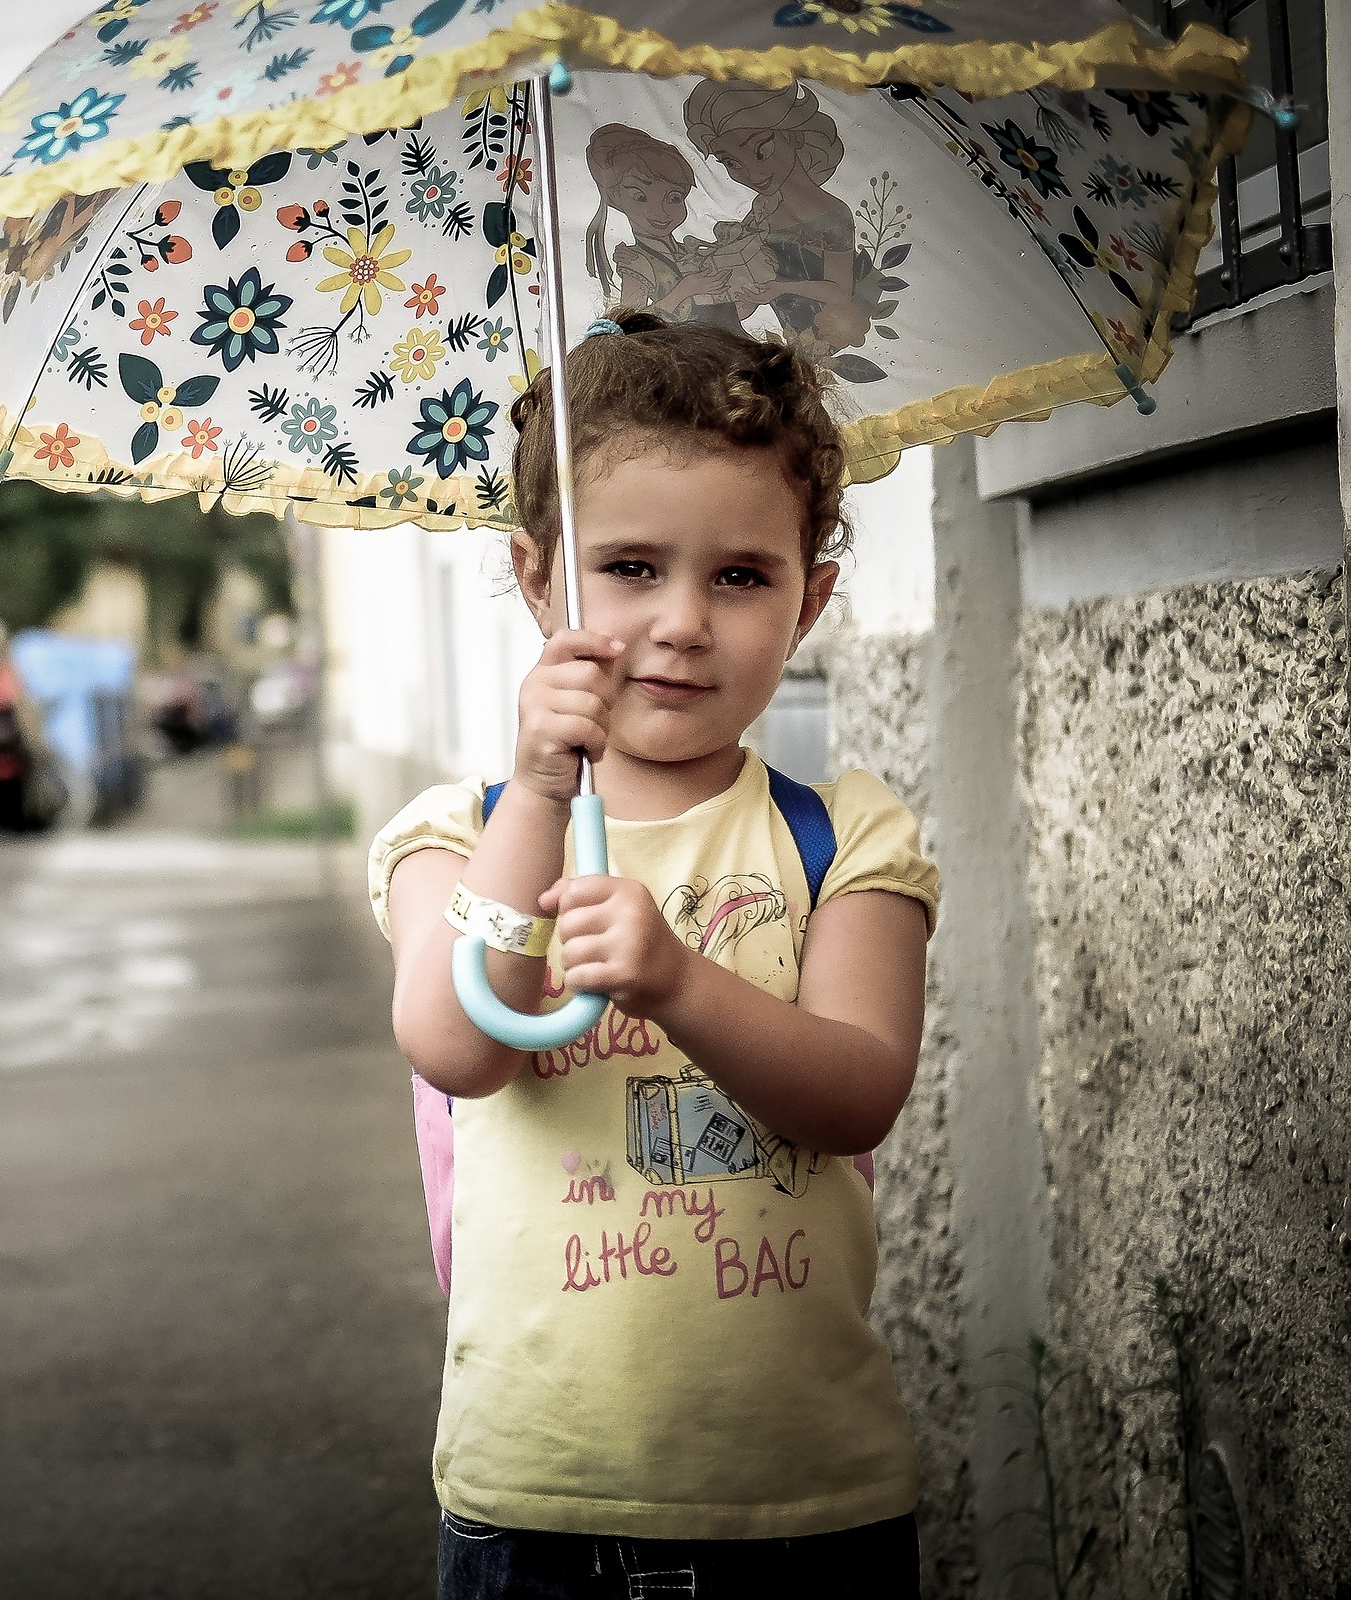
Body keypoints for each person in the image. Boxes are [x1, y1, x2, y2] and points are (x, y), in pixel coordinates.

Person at [369, 309, 934, 1598]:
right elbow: (460, 1044)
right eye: (628, 567)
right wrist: (532, 790)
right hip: (538, 1500)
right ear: (535, 578)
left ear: (814, 598)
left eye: (740, 576)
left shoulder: (842, 833)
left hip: (804, 1501)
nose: (683, 621)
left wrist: (680, 981)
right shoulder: (454, 835)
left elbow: (861, 1088)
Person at [684, 81, 872, 354]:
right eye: (731, 163)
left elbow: (841, 291)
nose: (750, 172)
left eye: (761, 150)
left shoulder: (832, 213)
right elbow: (747, 263)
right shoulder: (763, 207)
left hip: (823, 337)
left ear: (793, 137)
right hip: (780, 337)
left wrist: (780, 288)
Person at [581, 124, 743, 327]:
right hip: (690, 351)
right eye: (640, 197)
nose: (661, 212)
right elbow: (629, 323)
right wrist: (684, 290)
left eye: (674, 198)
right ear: (614, 198)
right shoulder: (636, 261)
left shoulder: (688, 252)